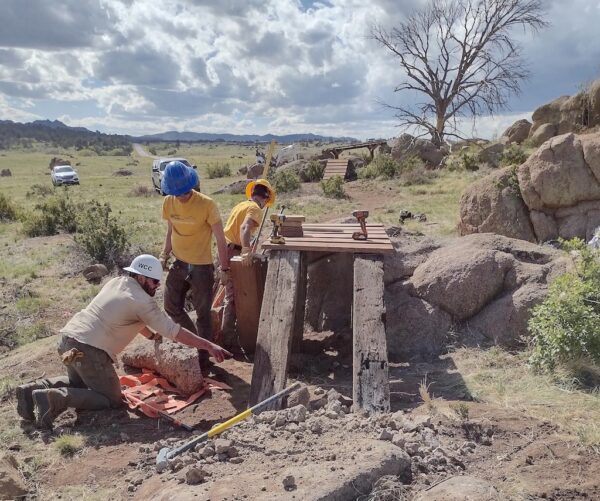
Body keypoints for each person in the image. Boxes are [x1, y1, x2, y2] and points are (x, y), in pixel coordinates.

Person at [15, 254, 232, 429]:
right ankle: (53, 399)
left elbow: (131, 319)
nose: (157, 286)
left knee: (80, 385)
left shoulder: (117, 282)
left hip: (68, 340)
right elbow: (174, 332)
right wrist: (209, 345)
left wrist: (152, 337)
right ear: (141, 277)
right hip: (89, 351)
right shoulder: (142, 302)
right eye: (154, 281)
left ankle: (31, 391)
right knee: (111, 399)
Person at [159, 161, 229, 367]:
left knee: (203, 314)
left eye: (184, 191)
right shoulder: (168, 203)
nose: (181, 196)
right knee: (171, 306)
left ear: (191, 184)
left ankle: (203, 359)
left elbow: (221, 239)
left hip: (201, 267)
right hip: (179, 263)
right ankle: (196, 344)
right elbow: (170, 232)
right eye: (176, 193)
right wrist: (164, 255)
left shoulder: (207, 204)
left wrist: (224, 268)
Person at [220, 179, 275, 347]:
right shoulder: (255, 208)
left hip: (225, 249)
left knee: (231, 295)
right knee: (233, 298)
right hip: (234, 252)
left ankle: (228, 334)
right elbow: (244, 228)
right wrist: (245, 250)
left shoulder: (241, 205)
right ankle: (227, 340)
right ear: (265, 198)